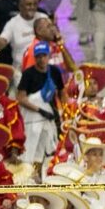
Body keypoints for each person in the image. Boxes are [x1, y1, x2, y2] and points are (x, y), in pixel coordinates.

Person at [17, 41, 66, 175]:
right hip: (32, 118)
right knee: (30, 147)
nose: (41, 59)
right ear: (35, 57)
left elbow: (62, 92)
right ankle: (28, 175)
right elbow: (21, 98)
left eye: (44, 56)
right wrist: (39, 110)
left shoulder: (54, 71)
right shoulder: (28, 74)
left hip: (50, 116)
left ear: (48, 56)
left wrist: (65, 110)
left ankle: (43, 175)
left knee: (48, 147)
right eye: (38, 56)